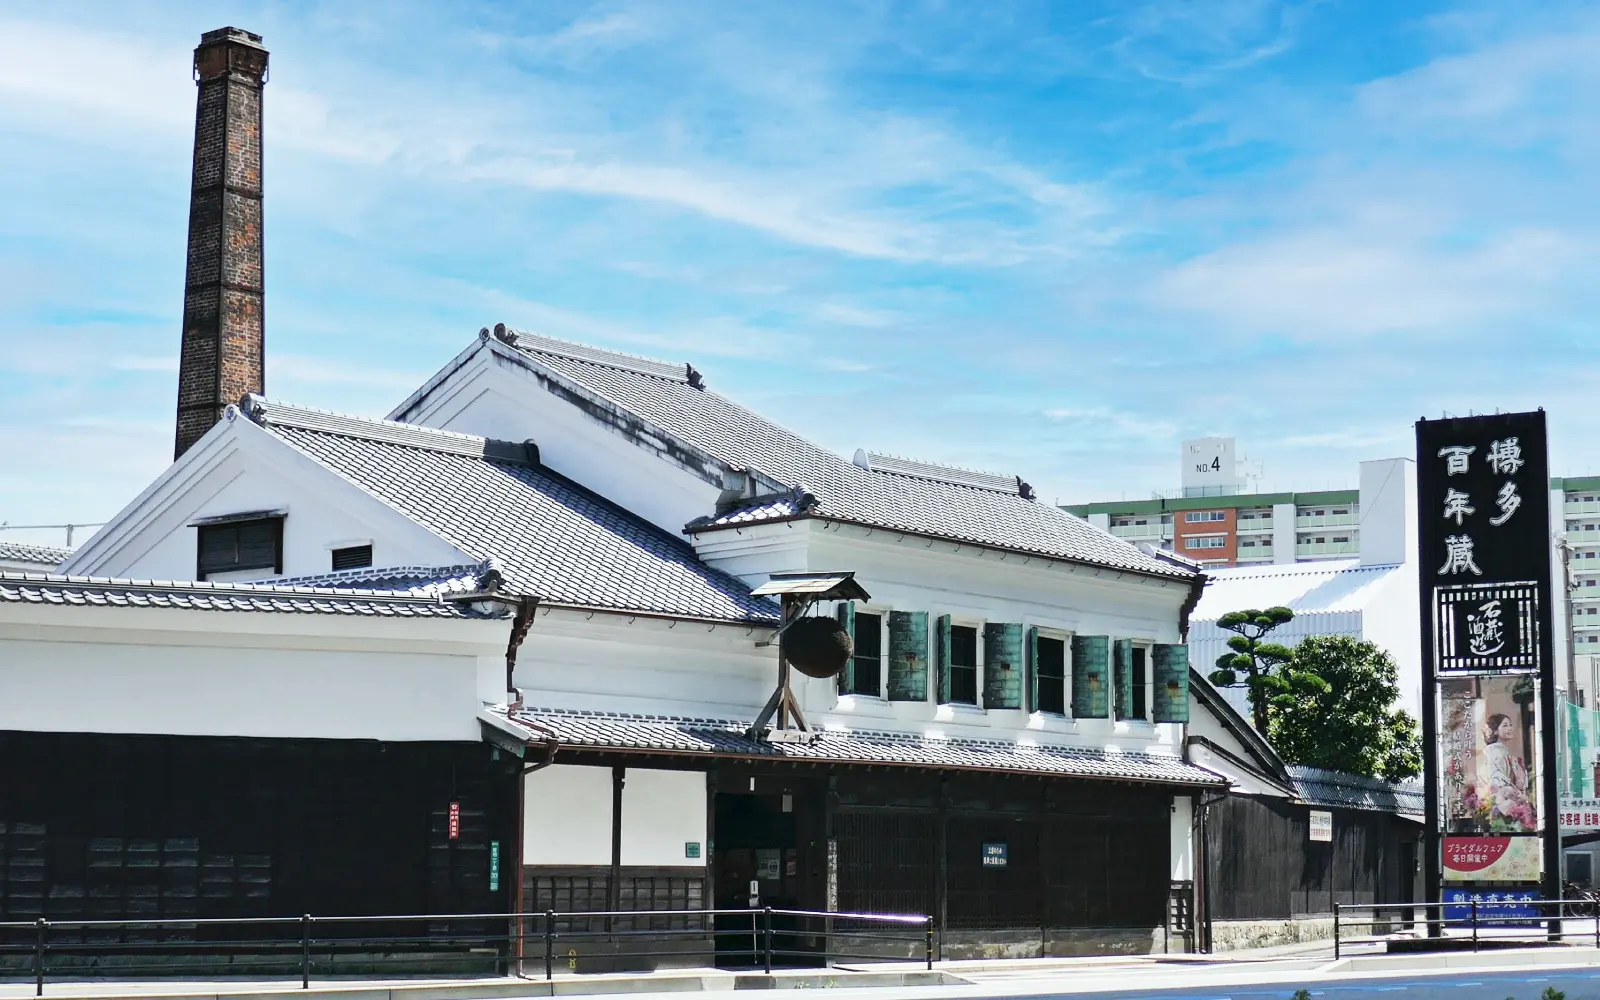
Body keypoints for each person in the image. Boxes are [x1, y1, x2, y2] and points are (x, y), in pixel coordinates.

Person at [1482, 713, 1535, 830]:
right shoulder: (1495, 751)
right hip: (1504, 802)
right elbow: (1498, 779)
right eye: (1505, 725)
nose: (1510, 728)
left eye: (1510, 725)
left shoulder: (1502, 751)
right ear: (1495, 731)